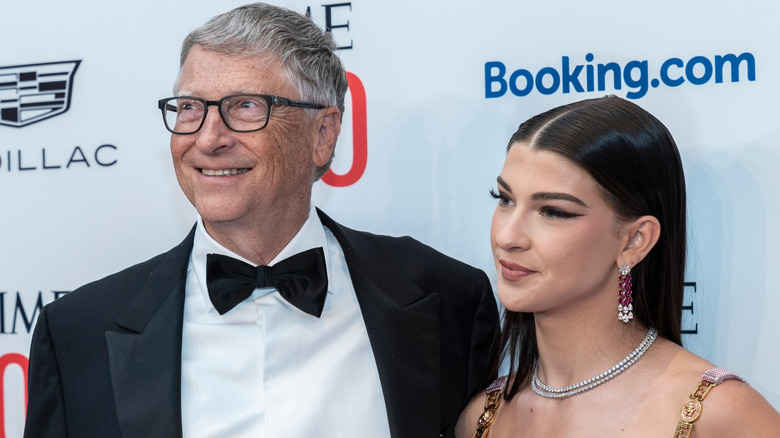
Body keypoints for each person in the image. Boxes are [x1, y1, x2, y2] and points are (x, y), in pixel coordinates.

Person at [23, 3, 499, 437]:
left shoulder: (447, 300)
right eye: (190, 107)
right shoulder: (76, 335)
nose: (208, 139)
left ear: (323, 134)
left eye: (245, 106)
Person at [455, 96, 780, 437]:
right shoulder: (482, 419)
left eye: (552, 211)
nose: (508, 236)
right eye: (505, 199)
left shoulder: (718, 414)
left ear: (634, 240)